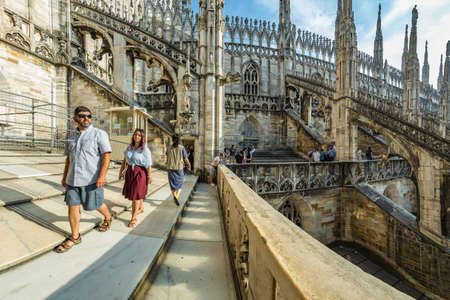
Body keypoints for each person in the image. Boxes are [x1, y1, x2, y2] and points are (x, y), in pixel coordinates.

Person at [56, 106, 113, 253]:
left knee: (95, 204)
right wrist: (64, 177)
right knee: (72, 206)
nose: (86, 118)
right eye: (82, 116)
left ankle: (108, 216)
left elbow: (106, 155)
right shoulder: (71, 137)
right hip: (72, 179)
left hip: (91, 179)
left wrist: (102, 176)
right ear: (75, 118)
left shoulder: (99, 134)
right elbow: (69, 159)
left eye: (89, 116)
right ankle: (75, 236)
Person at [119, 129, 152, 227]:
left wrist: (149, 176)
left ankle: (133, 218)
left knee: (135, 196)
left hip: (140, 173)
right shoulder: (129, 147)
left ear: (142, 138)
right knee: (136, 193)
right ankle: (140, 208)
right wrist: (121, 172)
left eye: (139, 135)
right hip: (130, 172)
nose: (137, 136)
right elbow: (124, 161)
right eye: (135, 135)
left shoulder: (144, 149)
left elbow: (149, 164)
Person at [167, 134, 191, 206]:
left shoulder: (169, 148)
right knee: (180, 183)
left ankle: (174, 196)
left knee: (172, 184)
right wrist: (189, 165)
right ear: (179, 140)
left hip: (170, 168)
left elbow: (167, 155)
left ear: (172, 140)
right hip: (179, 168)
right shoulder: (182, 148)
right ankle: (177, 196)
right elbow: (186, 158)